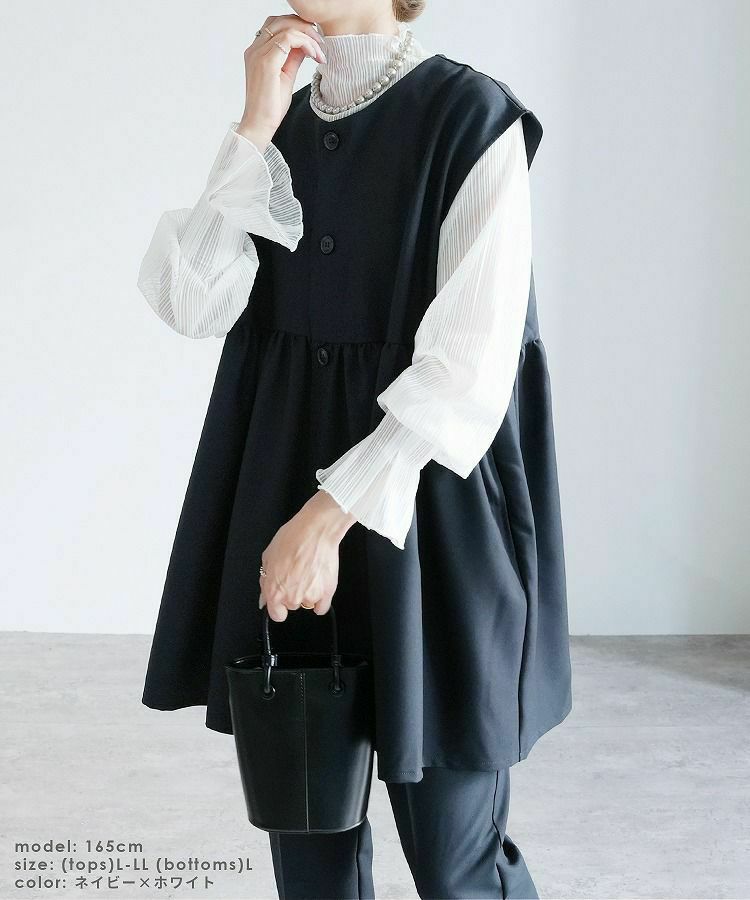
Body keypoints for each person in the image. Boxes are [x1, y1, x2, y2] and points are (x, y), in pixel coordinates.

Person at [137, 1, 572, 897]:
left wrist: (326, 519)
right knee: (309, 851)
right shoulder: (280, 126)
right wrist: (253, 125)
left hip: (433, 518)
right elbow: (192, 302)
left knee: (457, 863)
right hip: (284, 497)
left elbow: (468, 367)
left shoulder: (471, 117)